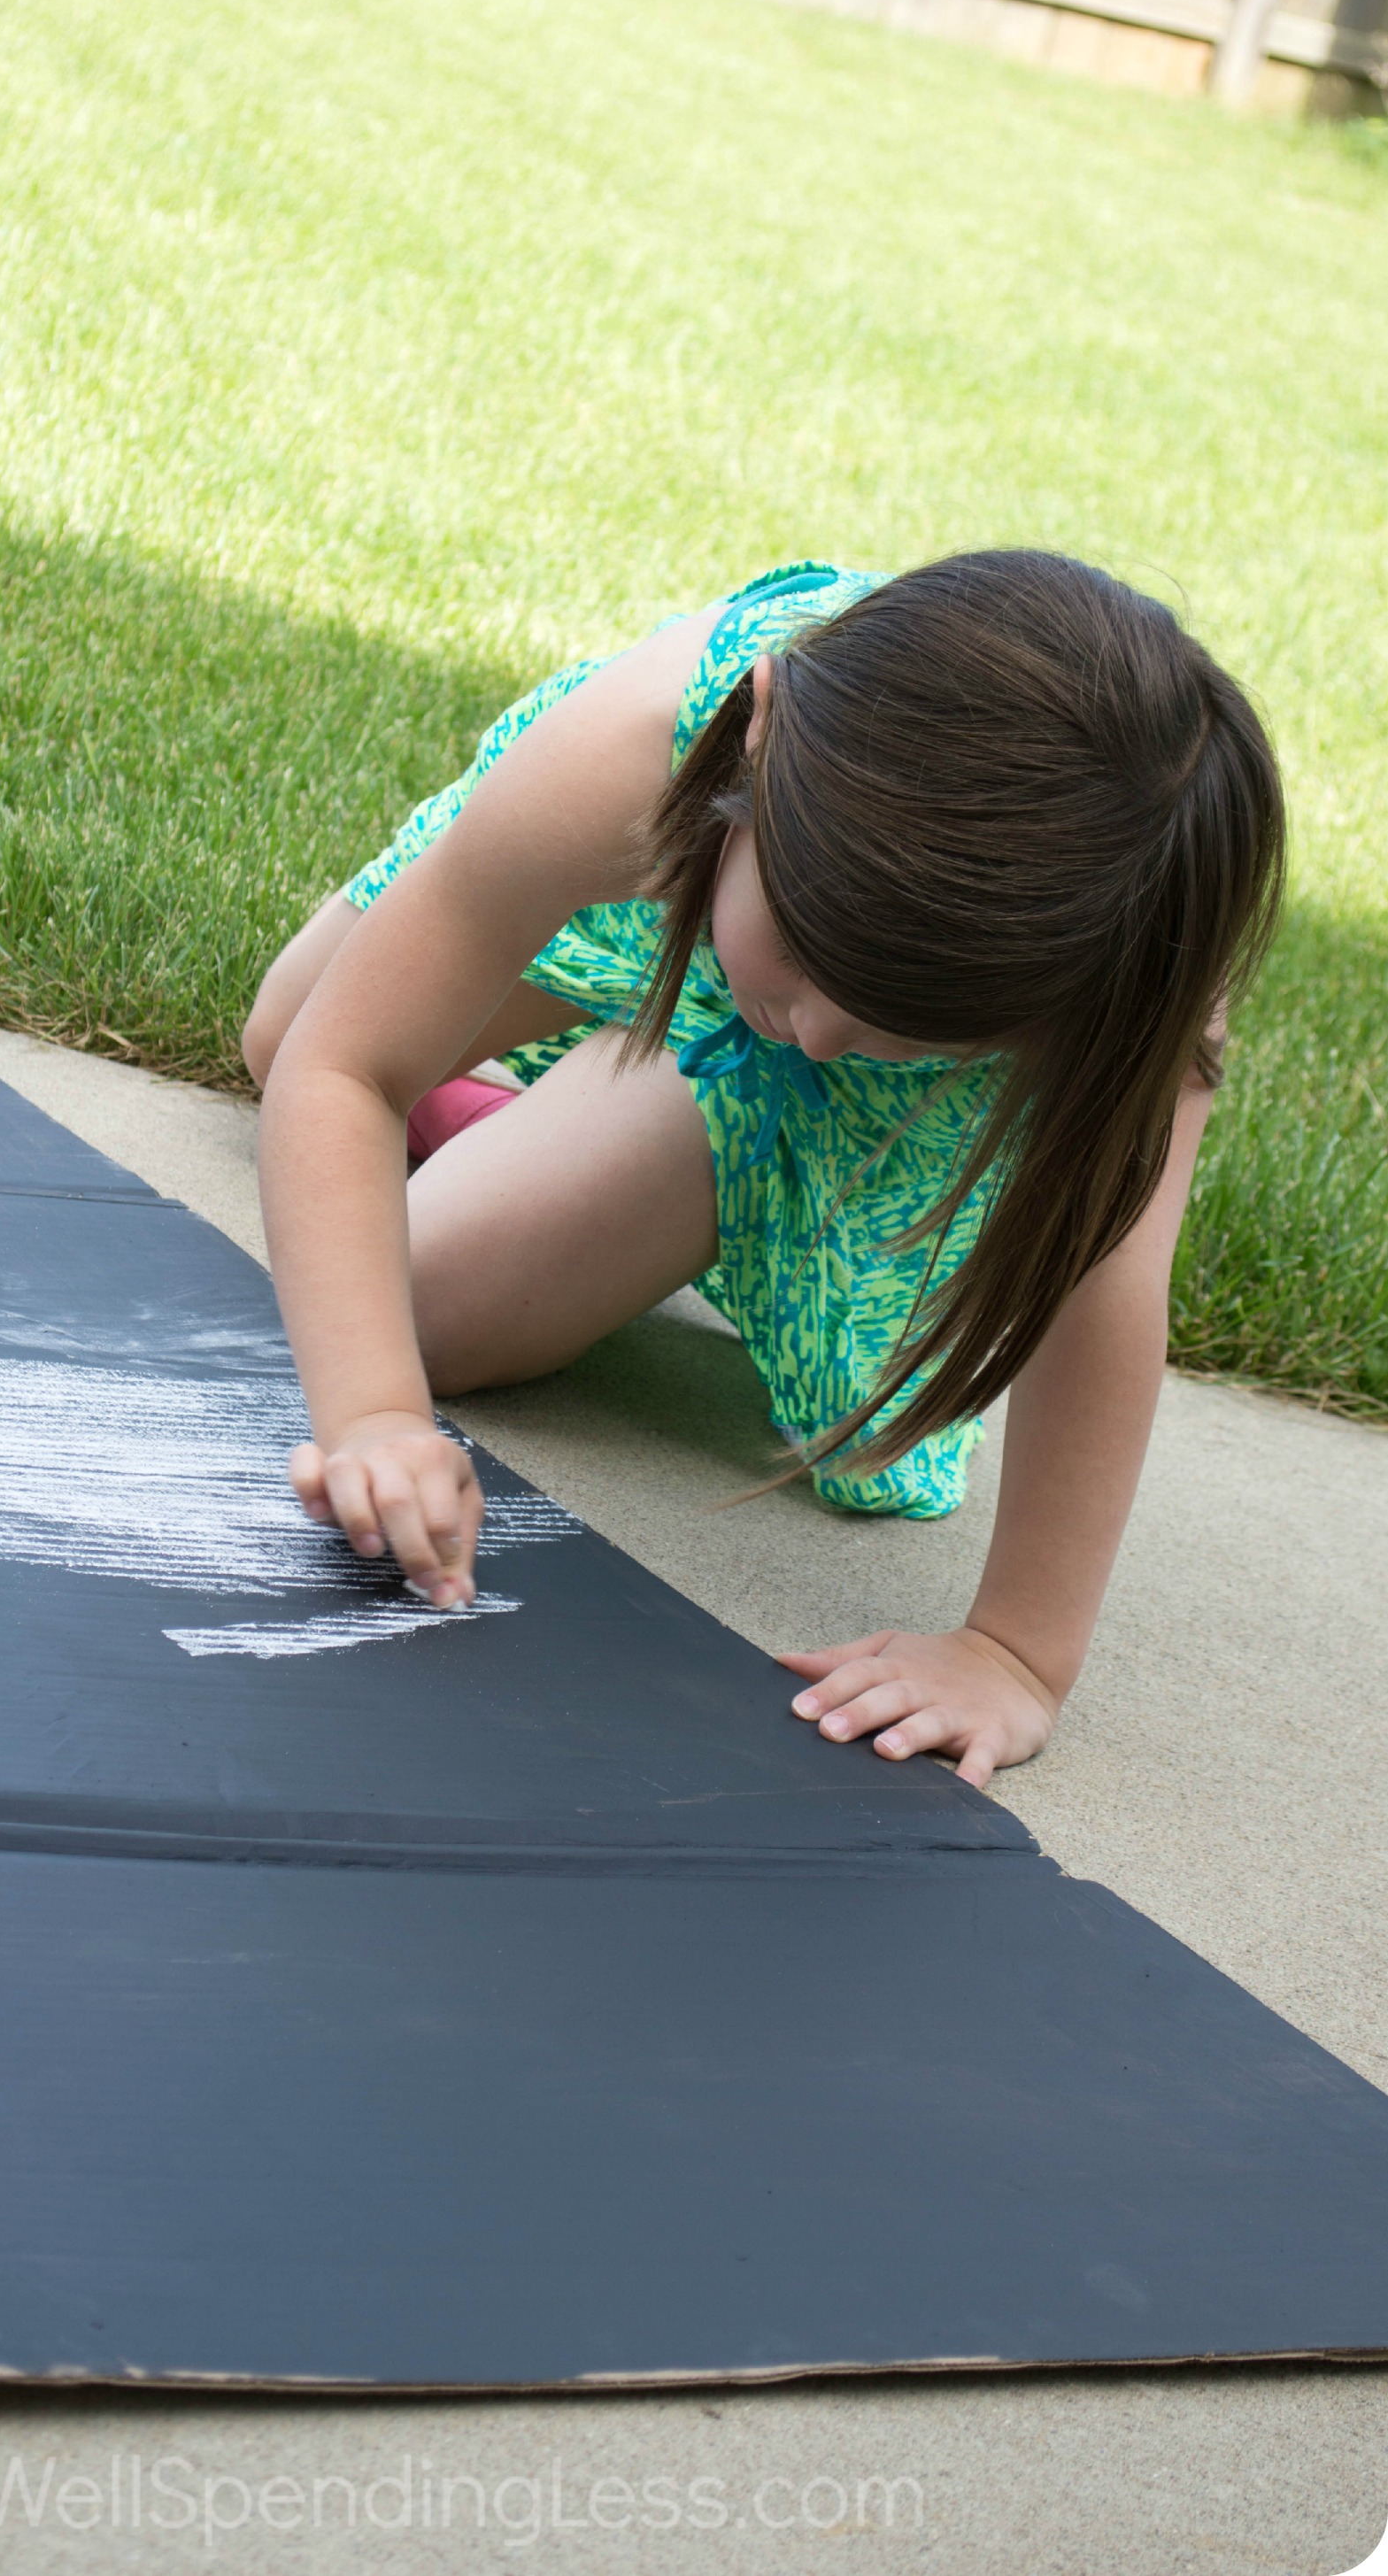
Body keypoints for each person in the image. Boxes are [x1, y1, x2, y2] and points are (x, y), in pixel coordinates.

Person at [243, 555, 1284, 1786]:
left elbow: (1098, 1279)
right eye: (801, 968)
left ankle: (666, 1136)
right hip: (677, 868)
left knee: (426, 1300)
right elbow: (343, 1067)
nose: (824, 1029)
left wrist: (1015, 1652)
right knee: (282, 1037)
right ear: (761, 727)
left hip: (783, 971)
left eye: (898, 1025)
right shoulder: (642, 747)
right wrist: (368, 1417)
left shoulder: (1124, 968)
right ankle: (532, 1107)